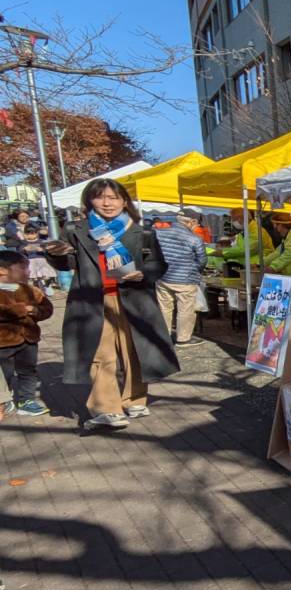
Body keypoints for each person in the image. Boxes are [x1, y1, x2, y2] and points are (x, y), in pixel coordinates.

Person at [45, 179, 180, 430]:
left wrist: (142, 274)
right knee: (101, 353)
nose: (107, 203)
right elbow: (68, 265)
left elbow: (158, 264)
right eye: (101, 197)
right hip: (92, 300)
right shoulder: (77, 229)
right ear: (90, 200)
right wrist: (57, 254)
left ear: (124, 201)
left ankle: (134, 399)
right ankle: (106, 408)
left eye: (114, 197)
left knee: (135, 350)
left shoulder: (141, 231)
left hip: (135, 299)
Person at [0, 249, 54, 416]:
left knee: (28, 370)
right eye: (23, 268)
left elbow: (47, 308)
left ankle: (26, 400)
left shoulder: (31, 290)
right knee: (5, 372)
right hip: (4, 341)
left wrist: (37, 311)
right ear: (2, 270)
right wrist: (22, 309)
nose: (28, 272)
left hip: (28, 339)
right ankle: (5, 398)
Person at [153, 209, 208, 348]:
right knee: (185, 309)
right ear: (192, 222)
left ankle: (163, 336)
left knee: (164, 308)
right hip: (186, 278)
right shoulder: (195, 239)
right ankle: (183, 339)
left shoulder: (159, 234)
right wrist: (194, 270)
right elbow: (202, 261)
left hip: (163, 276)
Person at [20, 225, 58, 290]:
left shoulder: (41, 241)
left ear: (37, 233)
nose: (30, 235)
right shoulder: (23, 242)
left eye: (32, 233)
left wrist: (43, 250)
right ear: (24, 234)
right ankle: (36, 284)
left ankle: (47, 284)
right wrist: (24, 249)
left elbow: (48, 250)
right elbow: (20, 252)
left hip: (42, 260)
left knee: (45, 272)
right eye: (27, 234)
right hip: (30, 260)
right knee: (32, 272)